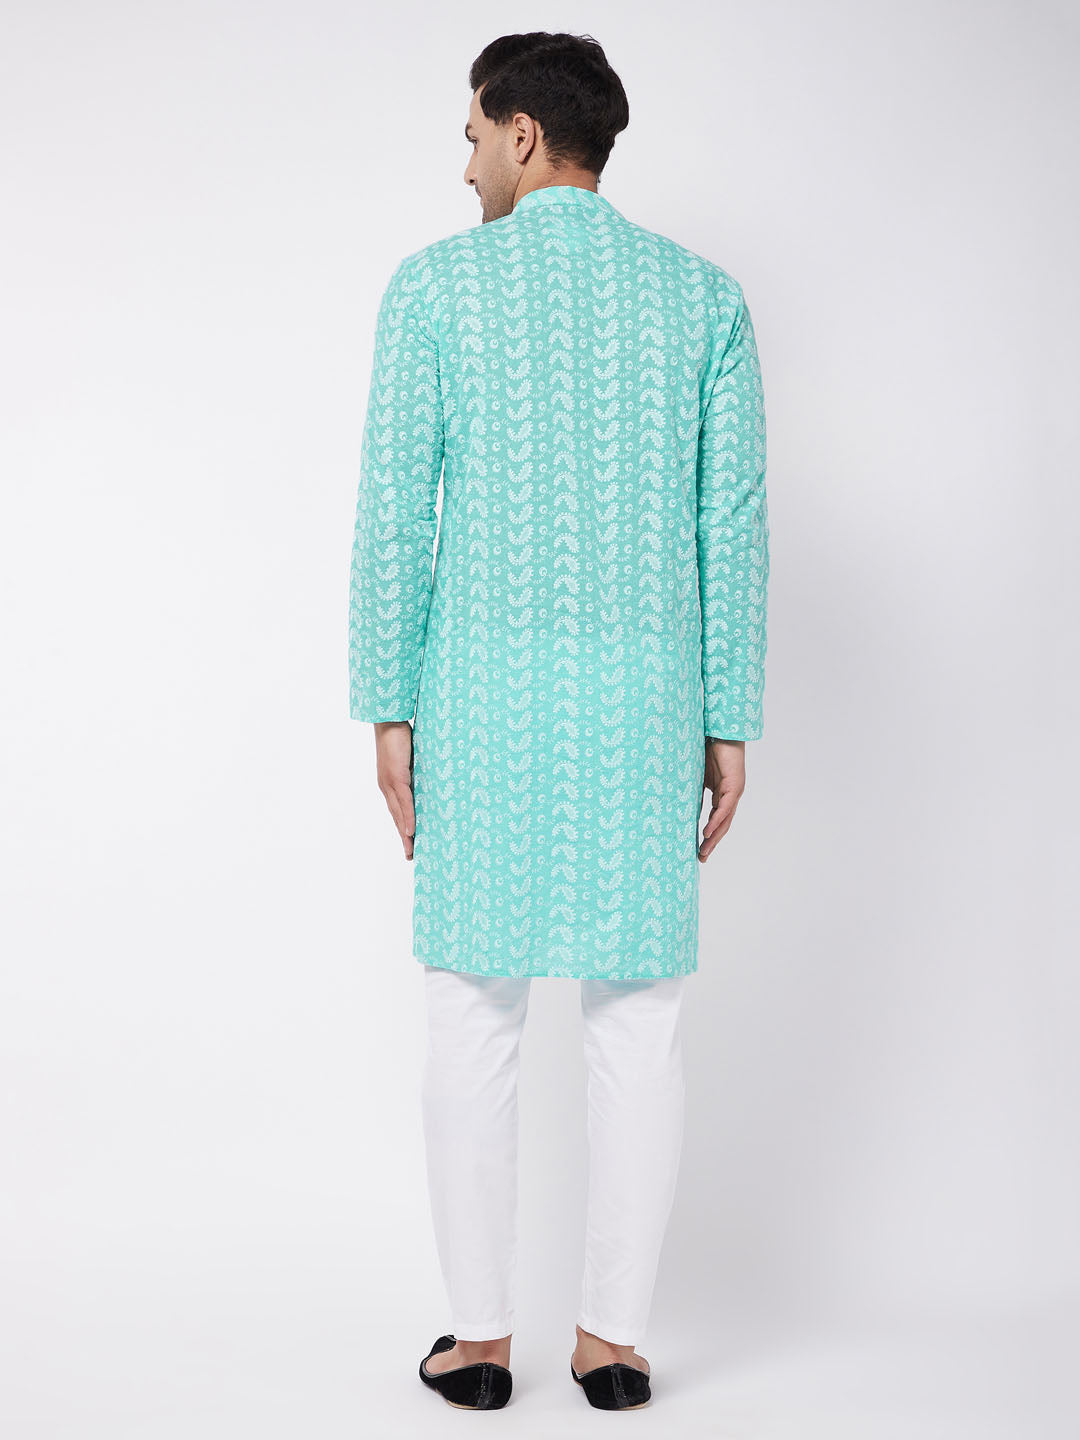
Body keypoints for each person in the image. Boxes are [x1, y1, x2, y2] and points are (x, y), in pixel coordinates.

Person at [348, 31, 769, 1412]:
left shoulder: (434, 288)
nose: (466, 161)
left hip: (482, 695)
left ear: (525, 134)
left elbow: (395, 513)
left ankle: (479, 1346)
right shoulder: (704, 300)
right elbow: (730, 527)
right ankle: (614, 1346)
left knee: (472, 1015)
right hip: (646, 699)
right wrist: (728, 715)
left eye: (474, 134)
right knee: (638, 1026)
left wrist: (388, 705)